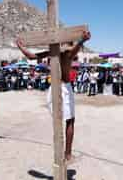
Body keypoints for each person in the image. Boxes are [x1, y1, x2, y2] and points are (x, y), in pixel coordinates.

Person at [16, 30, 91, 163]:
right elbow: (75, 50)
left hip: (53, 87)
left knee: (58, 121)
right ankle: (67, 154)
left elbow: (31, 56)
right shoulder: (67, 53)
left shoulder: (52, 52)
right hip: (64, 87)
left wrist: (20, 46)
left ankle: (61, 152)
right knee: (70, 121)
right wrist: (82, 40)